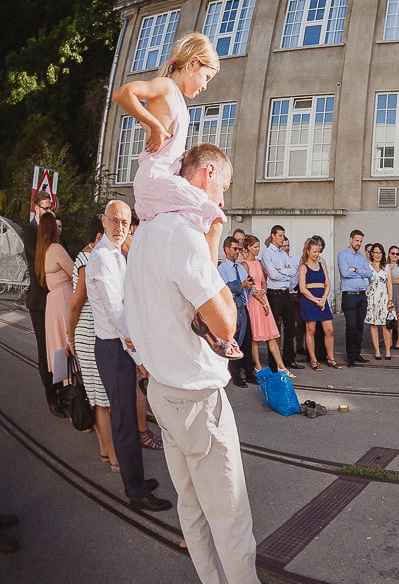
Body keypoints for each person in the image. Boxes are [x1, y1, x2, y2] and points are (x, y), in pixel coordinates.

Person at [124, 143, 268, 584]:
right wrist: (210, 235)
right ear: (207, 174)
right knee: (230, 513)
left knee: (191, 503)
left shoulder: (145, 231)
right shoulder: (182, 235)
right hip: (197, 397)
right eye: (222, 189)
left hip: (163, 390)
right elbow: (225, 323)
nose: (222, 202)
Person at [86, 199, 173, 512]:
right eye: (115, 221)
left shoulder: (116, 253)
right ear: (104, 222)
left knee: (126, 419)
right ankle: (135, 491)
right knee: (123, 422)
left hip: (122, 347)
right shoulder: (101, 259)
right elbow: (116, 314)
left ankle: (135, 478)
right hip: (113, 349)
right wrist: (141, 360)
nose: (121, 227)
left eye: (125, 221)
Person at [111, 33, 227, 265]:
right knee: (214, 213)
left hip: (159, 180)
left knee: (196, 213)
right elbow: (123, 94)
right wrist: (154, 125)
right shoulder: (165, 86)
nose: (205, 86)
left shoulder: (177, 101)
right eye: (206, 77)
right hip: (155, 179)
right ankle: (210, 277)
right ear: (193, 63)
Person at [67, 215, 117, 471]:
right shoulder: (87, 260)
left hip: (92, 332)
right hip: (88, 334)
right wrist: (69, 333)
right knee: (101, 399)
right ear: (98, 237)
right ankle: (111, 454)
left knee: (99, 396)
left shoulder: (89, 258)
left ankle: (105, 451)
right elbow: (76, 303)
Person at [24, 190, 63, 417]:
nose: (48, 211)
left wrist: (57, 232)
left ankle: (62, 390)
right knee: (43, 350)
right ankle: (52, 397)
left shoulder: (52, 228)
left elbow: (61, 250)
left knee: (57, 348)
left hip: (55, 297)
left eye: (51, 208)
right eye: (45, 208)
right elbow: (40, 257)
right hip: (40, 300)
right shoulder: (30, 232)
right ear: (36, 208)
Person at [35, 212, 74, 402]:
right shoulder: (56, 248)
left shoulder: (42, 251)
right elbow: (75, 272)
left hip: (53, 303)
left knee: (60, 348)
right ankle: (77, 400)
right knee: (70, 346)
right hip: (64, 301)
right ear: (53, 229)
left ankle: (69, 396)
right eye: (57, 226)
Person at [240, 235, 289, 377]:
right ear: (248, 247)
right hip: (253, 300)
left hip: (262, 297)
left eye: (258, 247)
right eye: (255, 247)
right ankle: (258, 365)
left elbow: (263, 281)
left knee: (271, 333)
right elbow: (247, 284)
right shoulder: (244, 264)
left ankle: (281, 366)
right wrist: (259, 296)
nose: (257, 250)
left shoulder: (258, 263)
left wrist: (263, 291)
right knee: (255, 335)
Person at [261, 225, 302, 371]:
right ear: (273, 236)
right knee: (274, 329)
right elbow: (272, 274)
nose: (282, 238)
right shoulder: (267, 253)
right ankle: (274, 363)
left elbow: (293, 270)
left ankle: (288, 359)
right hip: (274, 294)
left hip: (285, 293)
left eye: (283, 236)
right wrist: (283, 272)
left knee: (291, 327)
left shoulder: (283, 254)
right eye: (280, 236)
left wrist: (281, 271)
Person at [217, 236, 256, 387]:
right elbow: (225, 288)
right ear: (226, 249)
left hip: (243, 306)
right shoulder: (221, 268)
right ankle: (235, 375)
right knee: (234, 340)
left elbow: (249, 287)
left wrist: (248, 285)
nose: (237, 252)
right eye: (234, 249)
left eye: (239, 249)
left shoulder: (240, 267)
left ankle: (249, 373)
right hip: (231, 306)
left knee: (247, 339)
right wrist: (241, 285)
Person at [299, 236, 339, 370]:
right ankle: (313, 359)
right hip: (310, 300)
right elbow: (302, 288)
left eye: (318, 252)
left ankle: (331, 357)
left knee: (329, 329)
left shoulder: (322, 265)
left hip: (322, 299)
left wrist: (323, 298)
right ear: (308, 251)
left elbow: (327, 284)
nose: (317, 254)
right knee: (311, 329)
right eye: (315, 251)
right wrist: (316, 300)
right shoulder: (304, 267)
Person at [337, 229, 370, 366]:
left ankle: (357, 353)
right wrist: (360, 272)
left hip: (361, 295)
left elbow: (368, 273)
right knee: (351, 327)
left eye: (361, 241)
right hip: (349, 295)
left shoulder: (362, 257)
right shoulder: (342, 255)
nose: (359, 243)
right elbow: (345, 273)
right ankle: (350, 357)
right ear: (351, 239)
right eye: (357, 240)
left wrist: (355, 270)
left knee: (359, 327)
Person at [363, 243, 391, 360]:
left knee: (385, 325)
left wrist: (390, 300)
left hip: (384, 298)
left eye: (380, 253)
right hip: (371, 298)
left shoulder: (387, 267)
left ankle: (388, 351)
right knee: (373, 325)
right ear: (371, 254)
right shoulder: (367, 267)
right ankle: (377, 351)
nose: (378, 255)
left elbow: (389, 285)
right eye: (375, 252)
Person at [385, 245, 399, 351]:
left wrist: (388, 280)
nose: (395, 256)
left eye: (397, 254)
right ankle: (389, 340)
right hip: (388, 291)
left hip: (398, 291)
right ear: (389, 253)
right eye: (393, 253)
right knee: (389, 316)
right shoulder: (385, 265)